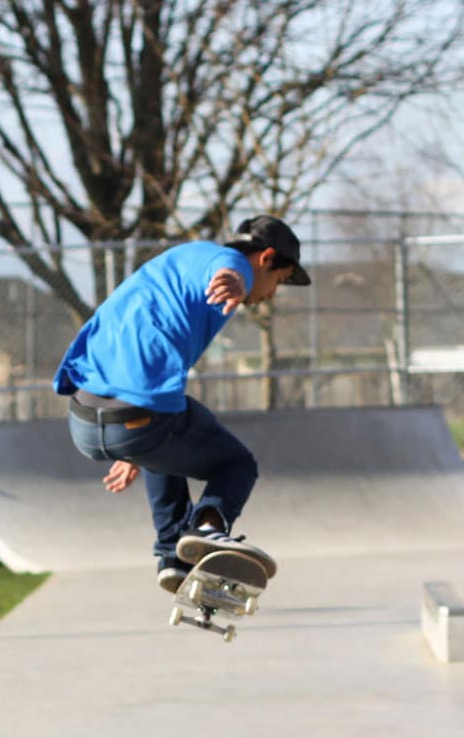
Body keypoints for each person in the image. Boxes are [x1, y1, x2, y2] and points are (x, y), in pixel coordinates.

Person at [55, 215, 312, 591]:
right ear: (266, 258)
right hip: (137, 414)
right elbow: (229, 267)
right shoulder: (228, 263)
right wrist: (236, 281)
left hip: (87, 418)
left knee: (168, 437)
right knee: (237, 464)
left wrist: (130, 449)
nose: (273, 293)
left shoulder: (179, 264)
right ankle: (208, 529)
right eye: (280, 279)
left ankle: (173, 558)